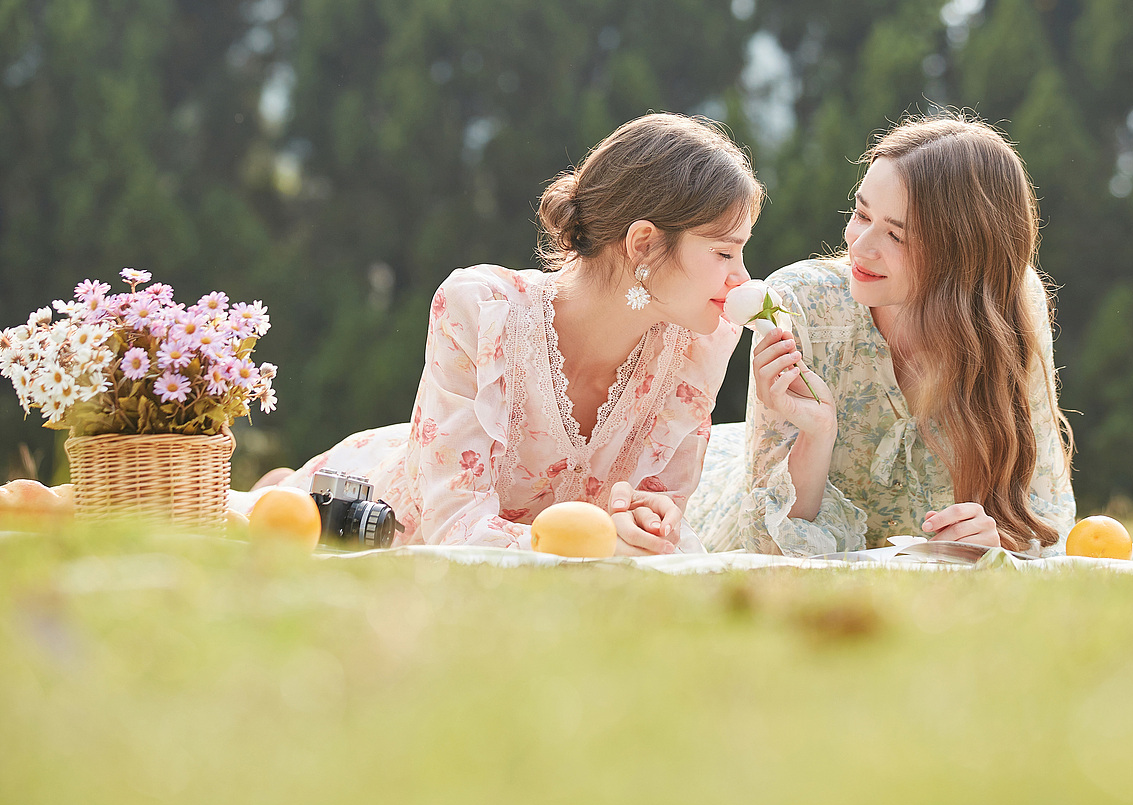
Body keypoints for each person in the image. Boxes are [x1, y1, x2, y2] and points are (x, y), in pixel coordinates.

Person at [271, 114, 761, 554]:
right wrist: (601, 547)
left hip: (565, 569)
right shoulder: (482, 311)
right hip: (382, 518)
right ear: (644, 243)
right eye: (724, 253)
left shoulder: (701, 344)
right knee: (256, 512)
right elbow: (454, 525)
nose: (741, 276)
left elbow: (660, 512)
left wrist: (646, 525)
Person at [688, 114, 1075, 558]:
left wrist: (1000, 541)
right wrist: (817, 433)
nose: (860, 245)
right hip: (732, 506)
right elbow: (768, 545)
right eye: (861, 213)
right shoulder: (800, 304)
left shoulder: (1014, 302)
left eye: (896, 235)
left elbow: (1047, 512)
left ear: (963, 253)